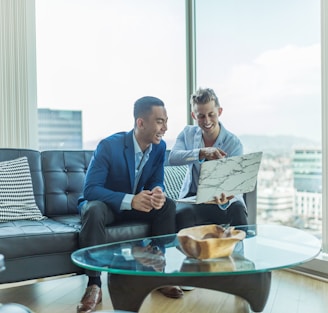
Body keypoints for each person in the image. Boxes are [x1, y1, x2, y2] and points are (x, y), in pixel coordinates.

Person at [76, 96, 182, 313]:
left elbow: (156, 180)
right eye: (160, 121)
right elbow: (90, 190)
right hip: (108, 207)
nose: (165, 128)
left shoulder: (159, 148)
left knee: (167, 206)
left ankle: (157, 273)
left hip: (137, 206)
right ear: (140, 123)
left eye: (166, 121)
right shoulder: (109, 146)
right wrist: (129, 200)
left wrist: (158, 192)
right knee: (93, 209)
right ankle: (94, 285)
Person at [168, 87, 248, 231]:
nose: (207, 121)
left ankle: (239, 252)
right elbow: (173, 158)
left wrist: (224, 199)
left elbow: (236, 185)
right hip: (194, 200)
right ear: (193, 115)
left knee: (238, 210)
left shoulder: (233, 143)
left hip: (223, 200)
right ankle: (189, 253)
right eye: (201, 116)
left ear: (220, 112)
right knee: (182, 215)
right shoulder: (187, 134)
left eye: (211, 114)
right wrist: (202, 152)